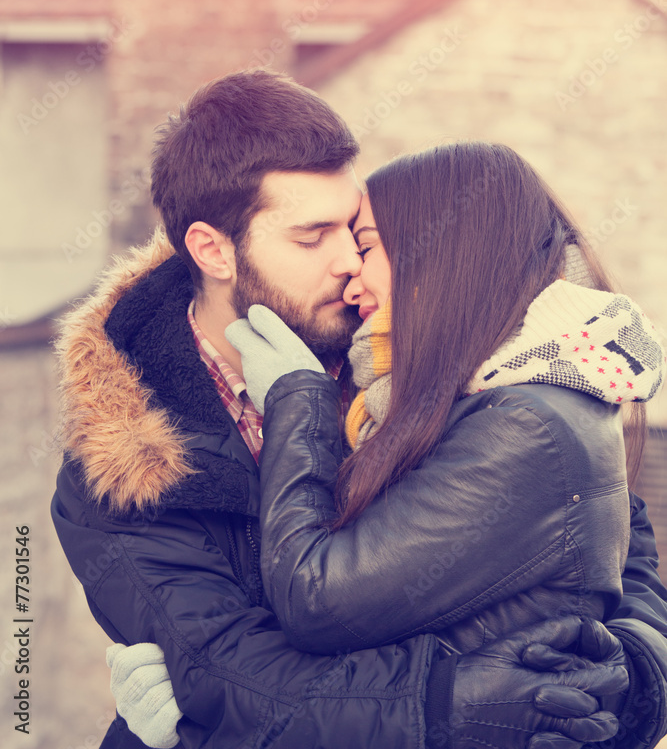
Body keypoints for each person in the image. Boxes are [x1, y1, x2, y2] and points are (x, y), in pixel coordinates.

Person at [50, 72, 667, 749]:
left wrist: (633, 672)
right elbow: (239, 681)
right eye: (312, 237)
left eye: (354, 229)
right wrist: (448, 702)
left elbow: (601, 527)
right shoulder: (123, 472)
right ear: (212, 250)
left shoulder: (417, 350)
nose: (352, 262)